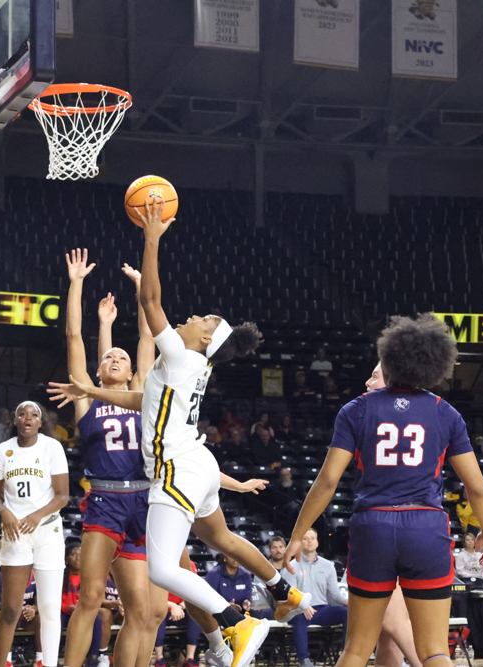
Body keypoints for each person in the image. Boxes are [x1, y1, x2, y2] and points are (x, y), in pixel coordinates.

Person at [48, 199, 313, 667]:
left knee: (165, 569)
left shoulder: (180, 355)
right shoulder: (185, 368)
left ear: (208, 338)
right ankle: (281, 588)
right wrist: (88, 387)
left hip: (175, 468)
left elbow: (152, 303)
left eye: (201, 321)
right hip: (197, 466)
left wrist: (151, 238)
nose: (191, 319)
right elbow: (140, 400)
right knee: (222, 538)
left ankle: (235, 622)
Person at [282, 315, 483, 667]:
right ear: (433, 365)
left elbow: (327, 481)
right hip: (425, 527)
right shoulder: (447, 413)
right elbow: (476, 487)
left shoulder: (356, 409)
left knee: (356, 648)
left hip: (373, 525)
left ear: (390, 358)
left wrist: (297, 532)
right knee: (434, 650)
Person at [58, 249, 173, 667]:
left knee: (142, 612)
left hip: (142, 501)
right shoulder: (87, 398)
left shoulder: (141, 394)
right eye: (107, 356)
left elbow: (147, 337)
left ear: (130, 373)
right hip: (105, 501)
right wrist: (76, 284)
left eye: (119, 358)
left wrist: (143, 288)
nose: (113, 358)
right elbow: (74, 338)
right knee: (90, 597)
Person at [0, 402, 68, 667]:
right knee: (11, 608)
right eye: (22, 414)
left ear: (41, 421)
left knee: (49, 608)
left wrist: (36, 516)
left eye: (34, 415)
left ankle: (49, 663)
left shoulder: (51, 447)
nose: (28, 419)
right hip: (15, 532)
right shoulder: (2, 450)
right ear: (15, 419)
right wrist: (5, 512)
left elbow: (63, 496)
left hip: (47, 530)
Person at [281, 529, 348, 667]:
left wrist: (348, 602)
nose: (310, 541)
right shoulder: (291, 566)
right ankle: (304, 660)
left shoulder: (328, 566)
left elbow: (335, 594)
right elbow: (289, 594)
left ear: (317, 542)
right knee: (299, 618)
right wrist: (302, 606)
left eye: (313, 538)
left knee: (348, 613)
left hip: (321, 609)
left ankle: (346, 653)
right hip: (299, 610)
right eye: (305, 539)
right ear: (300, 543)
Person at [60, 544, 109, 667]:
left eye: (81, 555)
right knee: (55, 620)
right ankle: (53, 657)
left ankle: (92, 658)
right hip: (63, 612)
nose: (77, 558)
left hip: (81, 612)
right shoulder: (60, 576)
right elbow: (55, 600)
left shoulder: (89, 577)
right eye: (73, 554)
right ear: (66, 558)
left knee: (96, 618)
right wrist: (69, 607)